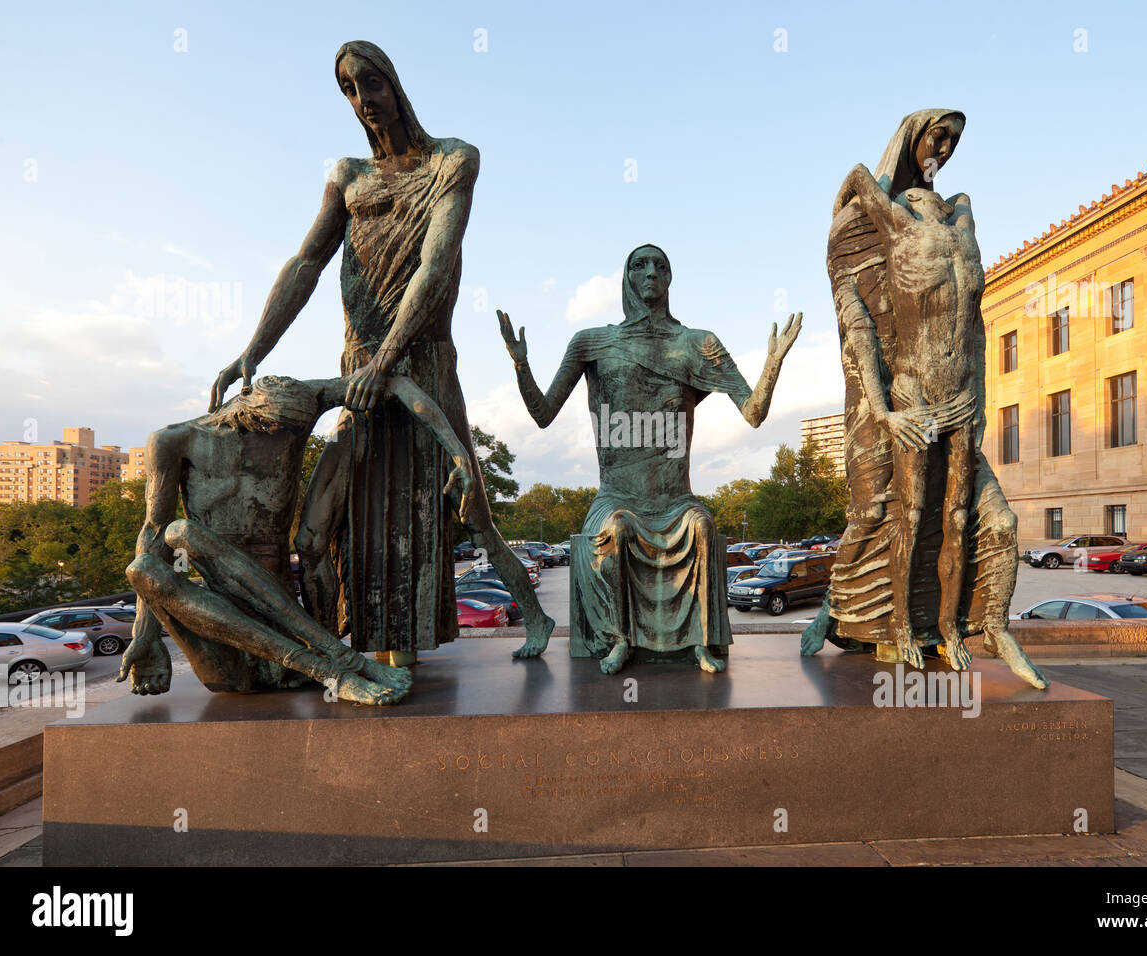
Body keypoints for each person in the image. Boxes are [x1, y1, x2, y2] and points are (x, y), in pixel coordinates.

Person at [208, 41, 553, 665]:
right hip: (358, 374)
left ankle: (533, 616)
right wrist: (251, 350)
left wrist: (388, 358)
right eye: (348, 90)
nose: (363, 100)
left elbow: (435, 264)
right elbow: (307, 263)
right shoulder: (347, 176)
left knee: (464, 505)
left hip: (419, 366)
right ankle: (324, 652)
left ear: (394, 84)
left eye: (371, 83)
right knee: (320, 527)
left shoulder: (453, 161)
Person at [799, 110, 1047, 690]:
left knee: (985, 521)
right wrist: (883, 409)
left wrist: (981, 400)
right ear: (911, 141)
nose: (945, 148)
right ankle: (851, 612)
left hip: (958, 400)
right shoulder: (883, 223)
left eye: (954, 141)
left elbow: (977, 326)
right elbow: (855, 311)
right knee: (882, 514)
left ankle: (975, 626)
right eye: (937, 136)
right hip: (901, 396)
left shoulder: (961, 217)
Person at [498, 244, 800, 674]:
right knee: (617, 530)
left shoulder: (698, 343)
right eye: (639, 265)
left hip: (675, 498)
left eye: (660, 265)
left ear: (671, 278)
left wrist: (773, 362)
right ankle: (621, 639)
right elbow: (544, 414)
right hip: (617, 495)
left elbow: (752, 413)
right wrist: (521, 365)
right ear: (626, 277)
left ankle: (701, 642)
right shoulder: (592, 342)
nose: (651, 272)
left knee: (703, 525)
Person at [120, 372, 475, 705]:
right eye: (271, 427)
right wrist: (145, 634)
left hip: (282, 607)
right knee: (163, 548)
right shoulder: (172, 440)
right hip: (218, 620)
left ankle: (332, 663)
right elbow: (153, 535)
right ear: (245, 401)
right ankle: (335, 667)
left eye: (291, 431)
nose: (280, 437)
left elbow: (394, 382)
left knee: (181, 533)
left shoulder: (299, 408)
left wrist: (459, 453)